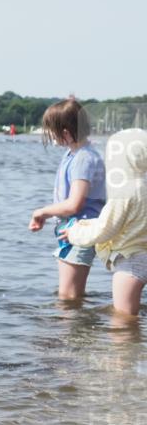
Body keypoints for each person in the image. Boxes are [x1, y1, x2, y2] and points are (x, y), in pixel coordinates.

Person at [61, 128, 147, 316]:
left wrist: (75, 232)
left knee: (123, 319)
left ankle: (126, 346)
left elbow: (105, 228)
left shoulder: (125, 191)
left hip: (130, 262)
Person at [28, 96, 106, 300]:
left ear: (65, 133)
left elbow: (75, 203)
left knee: (69, 296)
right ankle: (71, 327)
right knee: (66, 294)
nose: (52, 139)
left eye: (53, 134)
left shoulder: (84, 158)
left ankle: (72, 330)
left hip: (80, 229)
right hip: (70, 228)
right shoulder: (75, 153)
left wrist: (42, 212)